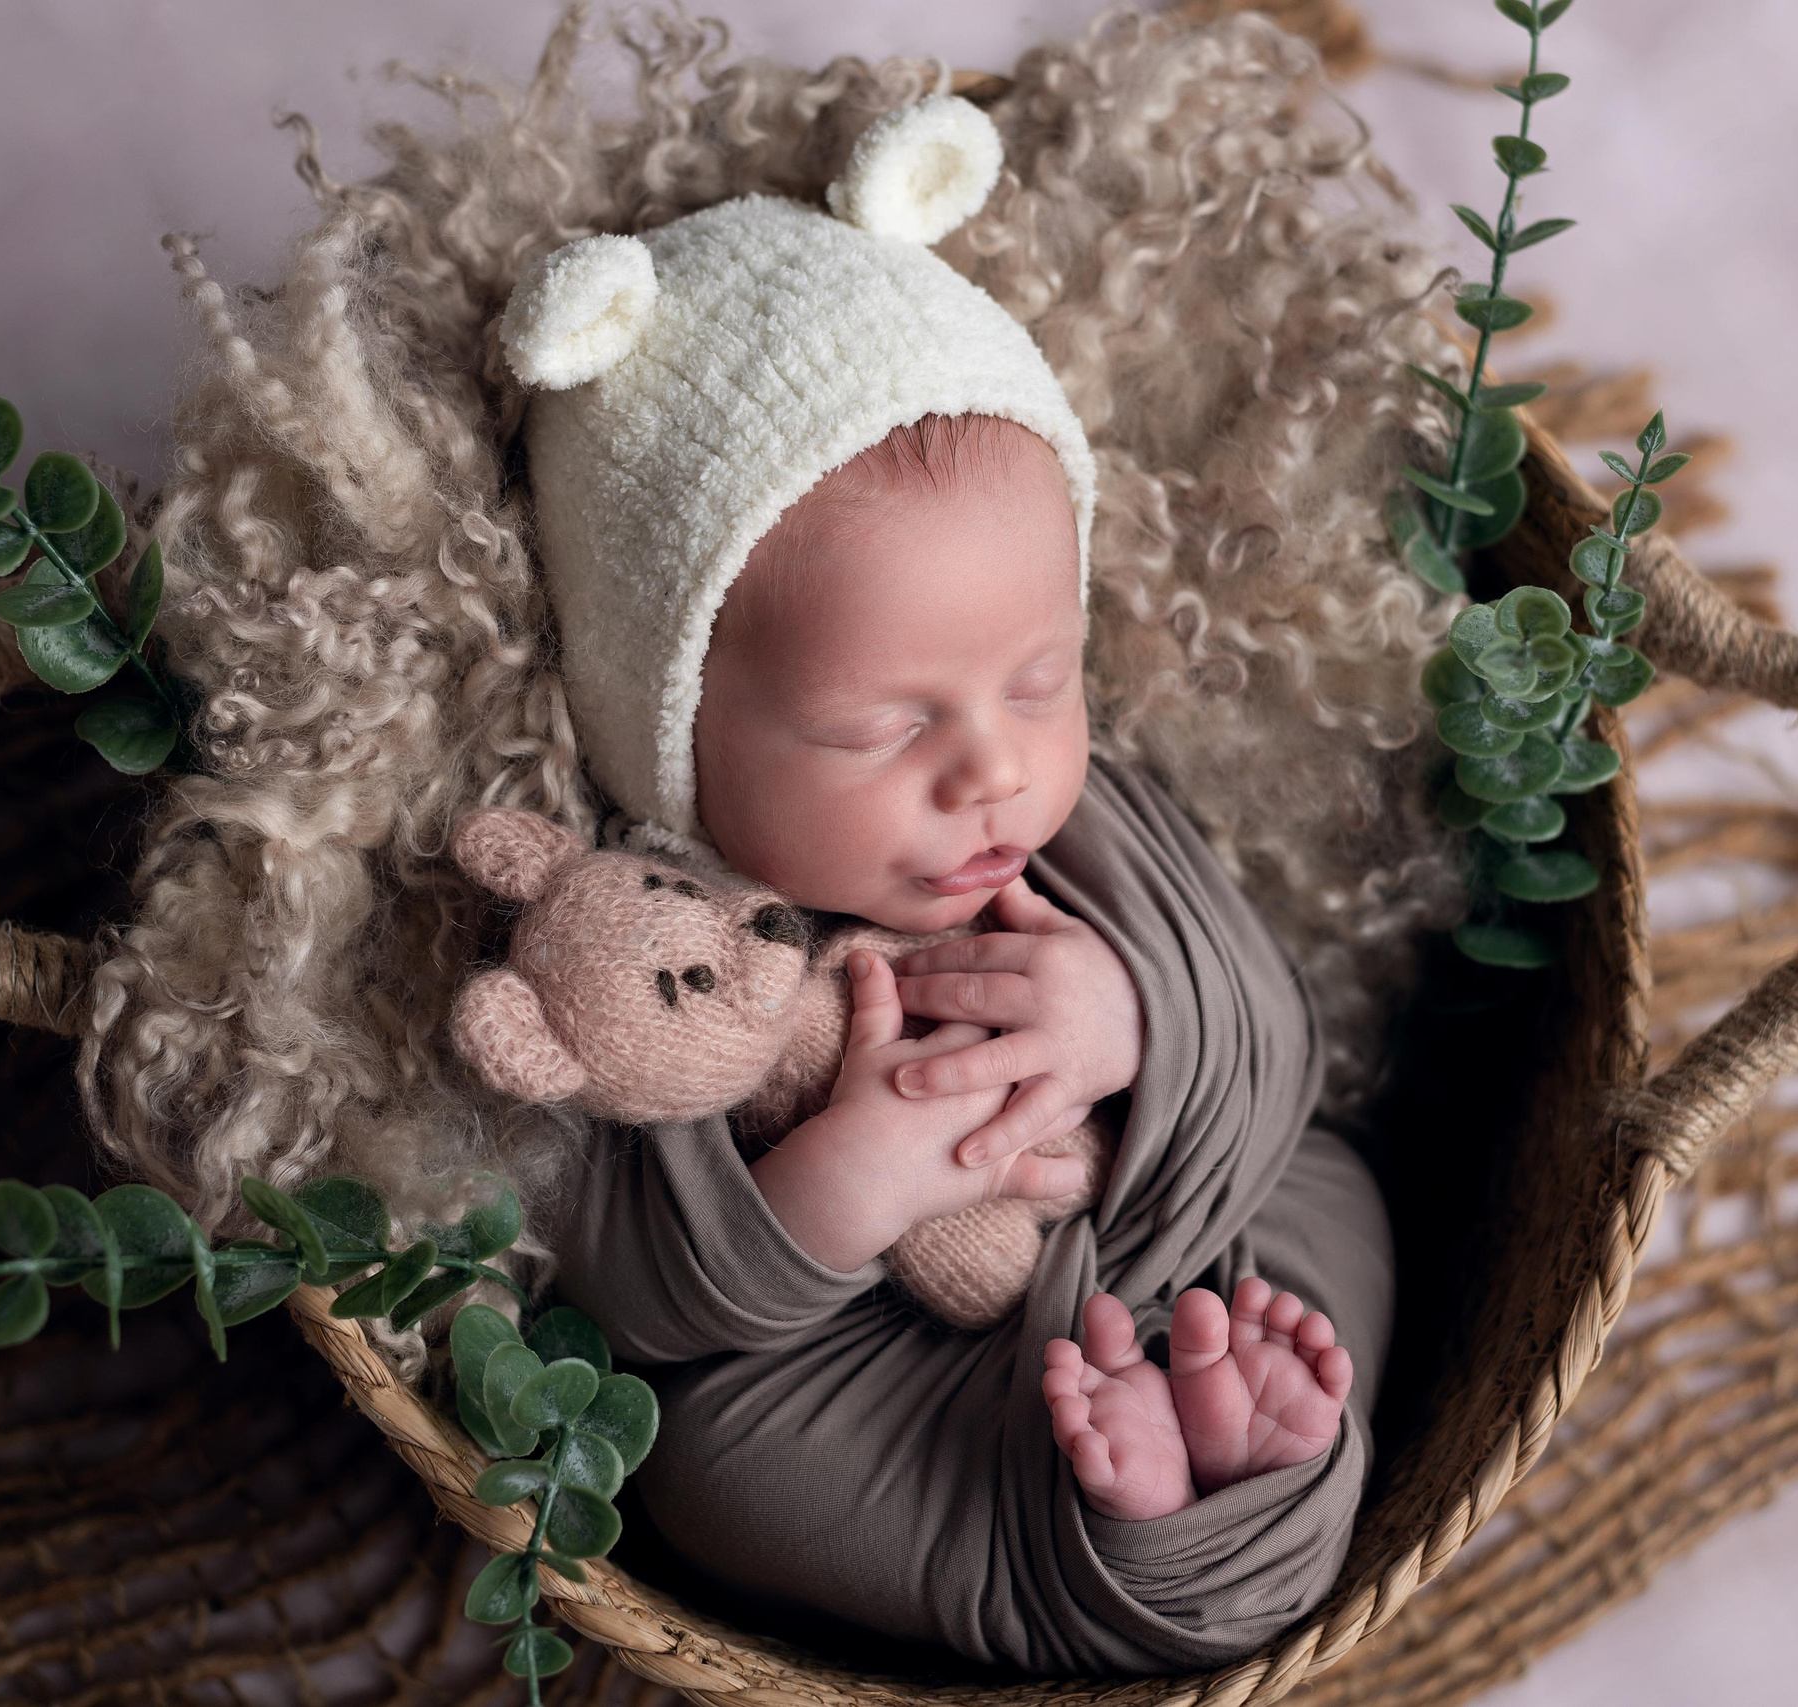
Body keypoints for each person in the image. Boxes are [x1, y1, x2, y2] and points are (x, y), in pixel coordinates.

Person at [512, 97, 1394, 1674]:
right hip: (889, 1378)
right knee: (717, 1468)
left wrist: (1136, 1016)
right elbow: (627, 1295)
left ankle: (1225, 1473)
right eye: (883, 725)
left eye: (1040, 682)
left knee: (1335, 1196)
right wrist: (843, 1184)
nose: (992, 771)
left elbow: (1275, 1034)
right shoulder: (650, 941)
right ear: (673, 729)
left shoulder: (1084, 836)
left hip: (1180, 1236)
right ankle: (1143, 1531)